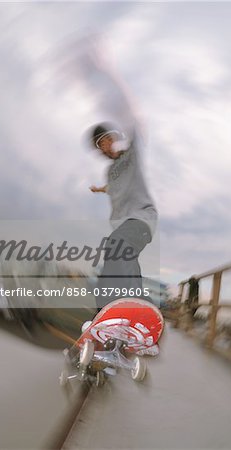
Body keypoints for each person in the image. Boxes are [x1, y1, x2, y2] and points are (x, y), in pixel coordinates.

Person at [88, 121, 158, 310]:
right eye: (99, 146)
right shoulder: (110, 171)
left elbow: (137, 131)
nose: (104, 148)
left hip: (142, 217)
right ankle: (103, 314)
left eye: (105, 142)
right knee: (112, 265)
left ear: (113, 139)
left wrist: (129, 118)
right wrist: (100, 189)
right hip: (124, 225)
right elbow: (112, 187)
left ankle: (137, 304)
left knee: (117, 245)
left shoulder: (131, 154)